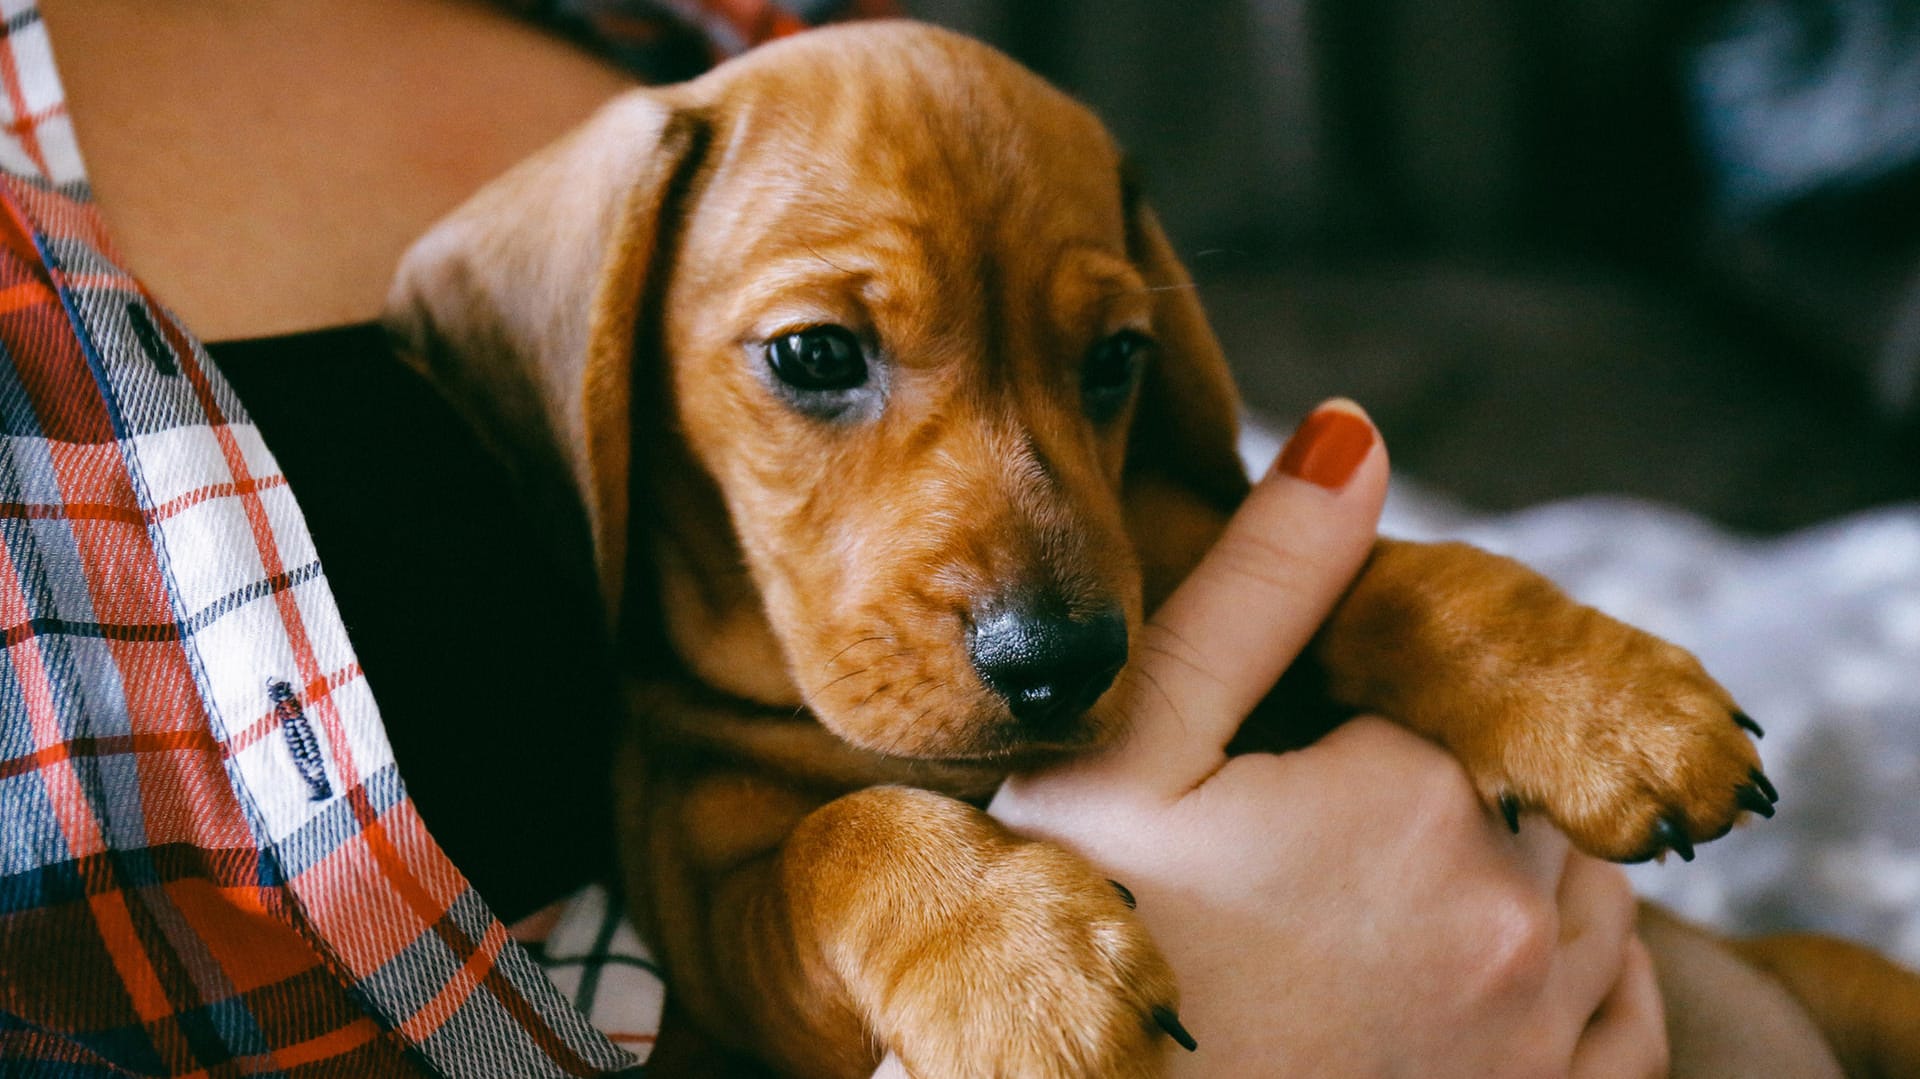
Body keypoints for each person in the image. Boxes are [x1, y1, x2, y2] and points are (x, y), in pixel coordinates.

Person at [1, 2, 1831, 1075]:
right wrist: (896, 888)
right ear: (575, 359)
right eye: (821, 362)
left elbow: (1240, 530)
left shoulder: (709, 42)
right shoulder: (622, 281)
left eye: (1100, 358)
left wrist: (1463, 631)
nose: (1038, 583)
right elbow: (743, 920)